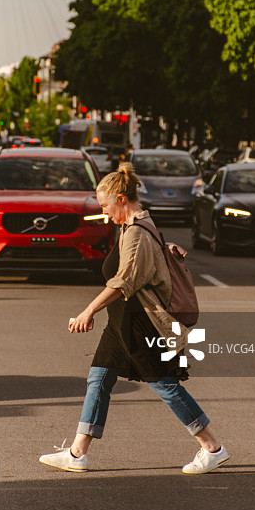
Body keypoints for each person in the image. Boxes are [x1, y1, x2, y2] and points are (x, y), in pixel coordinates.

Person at [39, 162, 228, 475]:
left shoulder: (137, 231)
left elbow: (124, 280)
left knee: (165, 385)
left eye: (105, 206)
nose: (104, 213)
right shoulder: (131, 225)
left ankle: (212, 448)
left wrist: (89, 310)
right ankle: (77, 452)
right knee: (98, 379)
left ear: (121, 200)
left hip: (141, 325)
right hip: (121, 325)